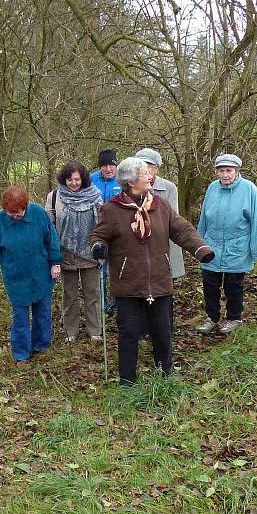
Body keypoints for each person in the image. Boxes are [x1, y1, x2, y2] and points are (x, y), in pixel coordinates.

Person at [90, 157, 213, 385]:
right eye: (145, 173)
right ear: (130, 181)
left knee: (163, 332)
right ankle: (127, 380)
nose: (150, 176)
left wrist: (201, 249)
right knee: (128, 335)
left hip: (159, 281)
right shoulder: (112, 210)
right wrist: (99, 247)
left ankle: (165, 375)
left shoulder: (160, 205)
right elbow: (99, 236)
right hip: (128, 284)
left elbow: (182, 229)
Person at [0, 186, 62, 365]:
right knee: (20, 317)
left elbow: (52, 238)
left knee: (42, 313)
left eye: (19, 213)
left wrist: (55, 262)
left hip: (40, 274)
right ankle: (21, 354)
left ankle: (41, 347)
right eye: (12, 214)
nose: (16, 216)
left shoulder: (39, 214)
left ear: (26, 206)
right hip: (15, 277)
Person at [196, 154, 257, 335]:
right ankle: (211, 318)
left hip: (237, 246)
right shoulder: (212, 188)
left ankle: (234, 317)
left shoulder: (249, 189)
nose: (225, 175)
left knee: (233, 285)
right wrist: (197, 243)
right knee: (209, 283)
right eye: (221, 171)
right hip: (212, 244)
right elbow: (204, 218)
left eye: (229, 170)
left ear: (237, 171)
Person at [46, 161, 104, 342]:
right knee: (69, 295)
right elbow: (49, 226)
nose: (73, 183)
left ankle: (95, 331)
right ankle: (71, 332)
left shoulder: (95, 195)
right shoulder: (55, 197)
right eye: (69, 180)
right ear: (64, 179)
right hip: (65, 253)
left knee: (92, 294)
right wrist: (53, 254)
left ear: (83, 179)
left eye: (77, 179)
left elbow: (102, 224)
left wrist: (101, 246)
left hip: (90, 252)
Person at [134, 148, 185, 280]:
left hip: (163, 243)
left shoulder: (169, 188)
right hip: (137, 244)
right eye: (141, 165)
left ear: (157, 169)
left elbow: (172, 218)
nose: (145, 169)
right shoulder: (129, 186)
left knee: (163, 288)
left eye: (150, 166)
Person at [90, 150, 120, 314]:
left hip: (118, 232)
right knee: (100, 271)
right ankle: (101, 307)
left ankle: (117, 304)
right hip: (98, 231)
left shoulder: (123, 179)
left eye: (111, 165)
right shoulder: (91, 179)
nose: (108, 169)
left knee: (117, 270)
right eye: (104, 165)